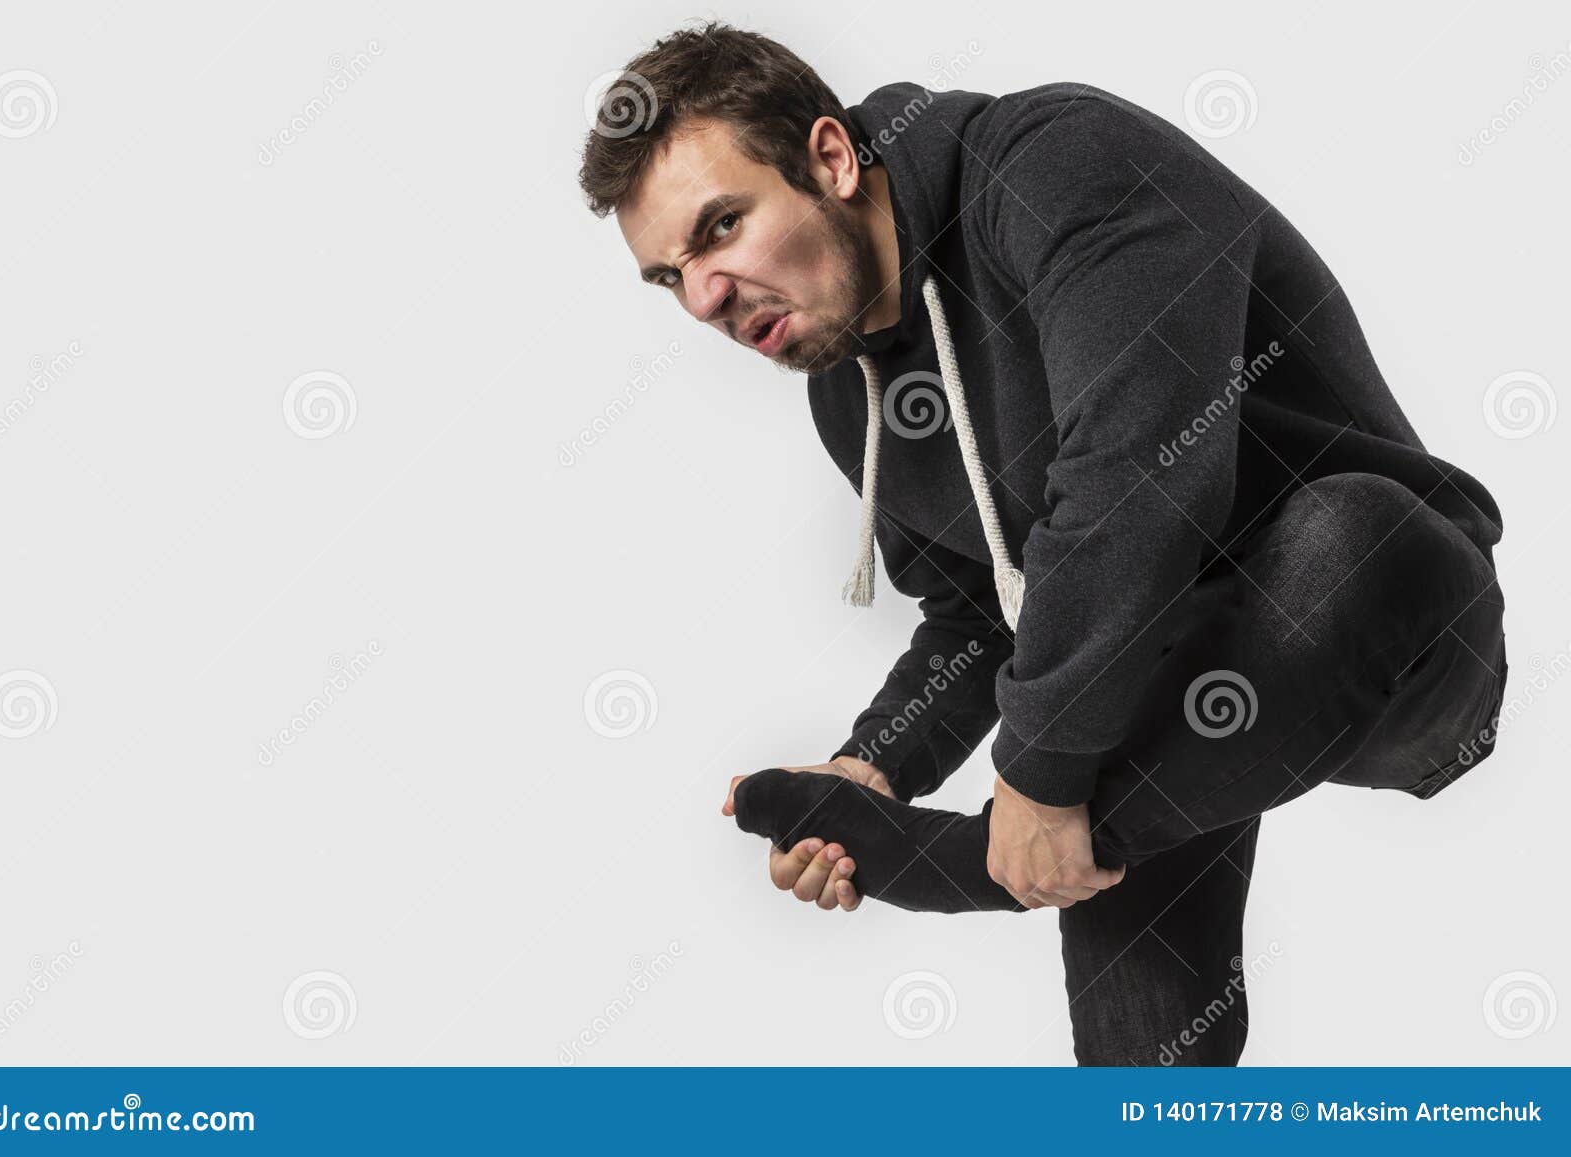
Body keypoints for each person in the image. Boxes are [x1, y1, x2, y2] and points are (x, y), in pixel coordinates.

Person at [577, 22, 1509, 1065]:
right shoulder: (856, 392)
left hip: (1405, 638)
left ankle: (971, 866)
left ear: (832, 159)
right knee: (1139, 1072)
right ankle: (1029, 855)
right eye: (669, 277)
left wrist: (1035, 782)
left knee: (1345, 534)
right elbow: (982, 608)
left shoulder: (1060, 164)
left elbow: (1144, 466)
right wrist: (874, 766)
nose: (704, 295)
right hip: (1146, 704)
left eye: (719, 228)